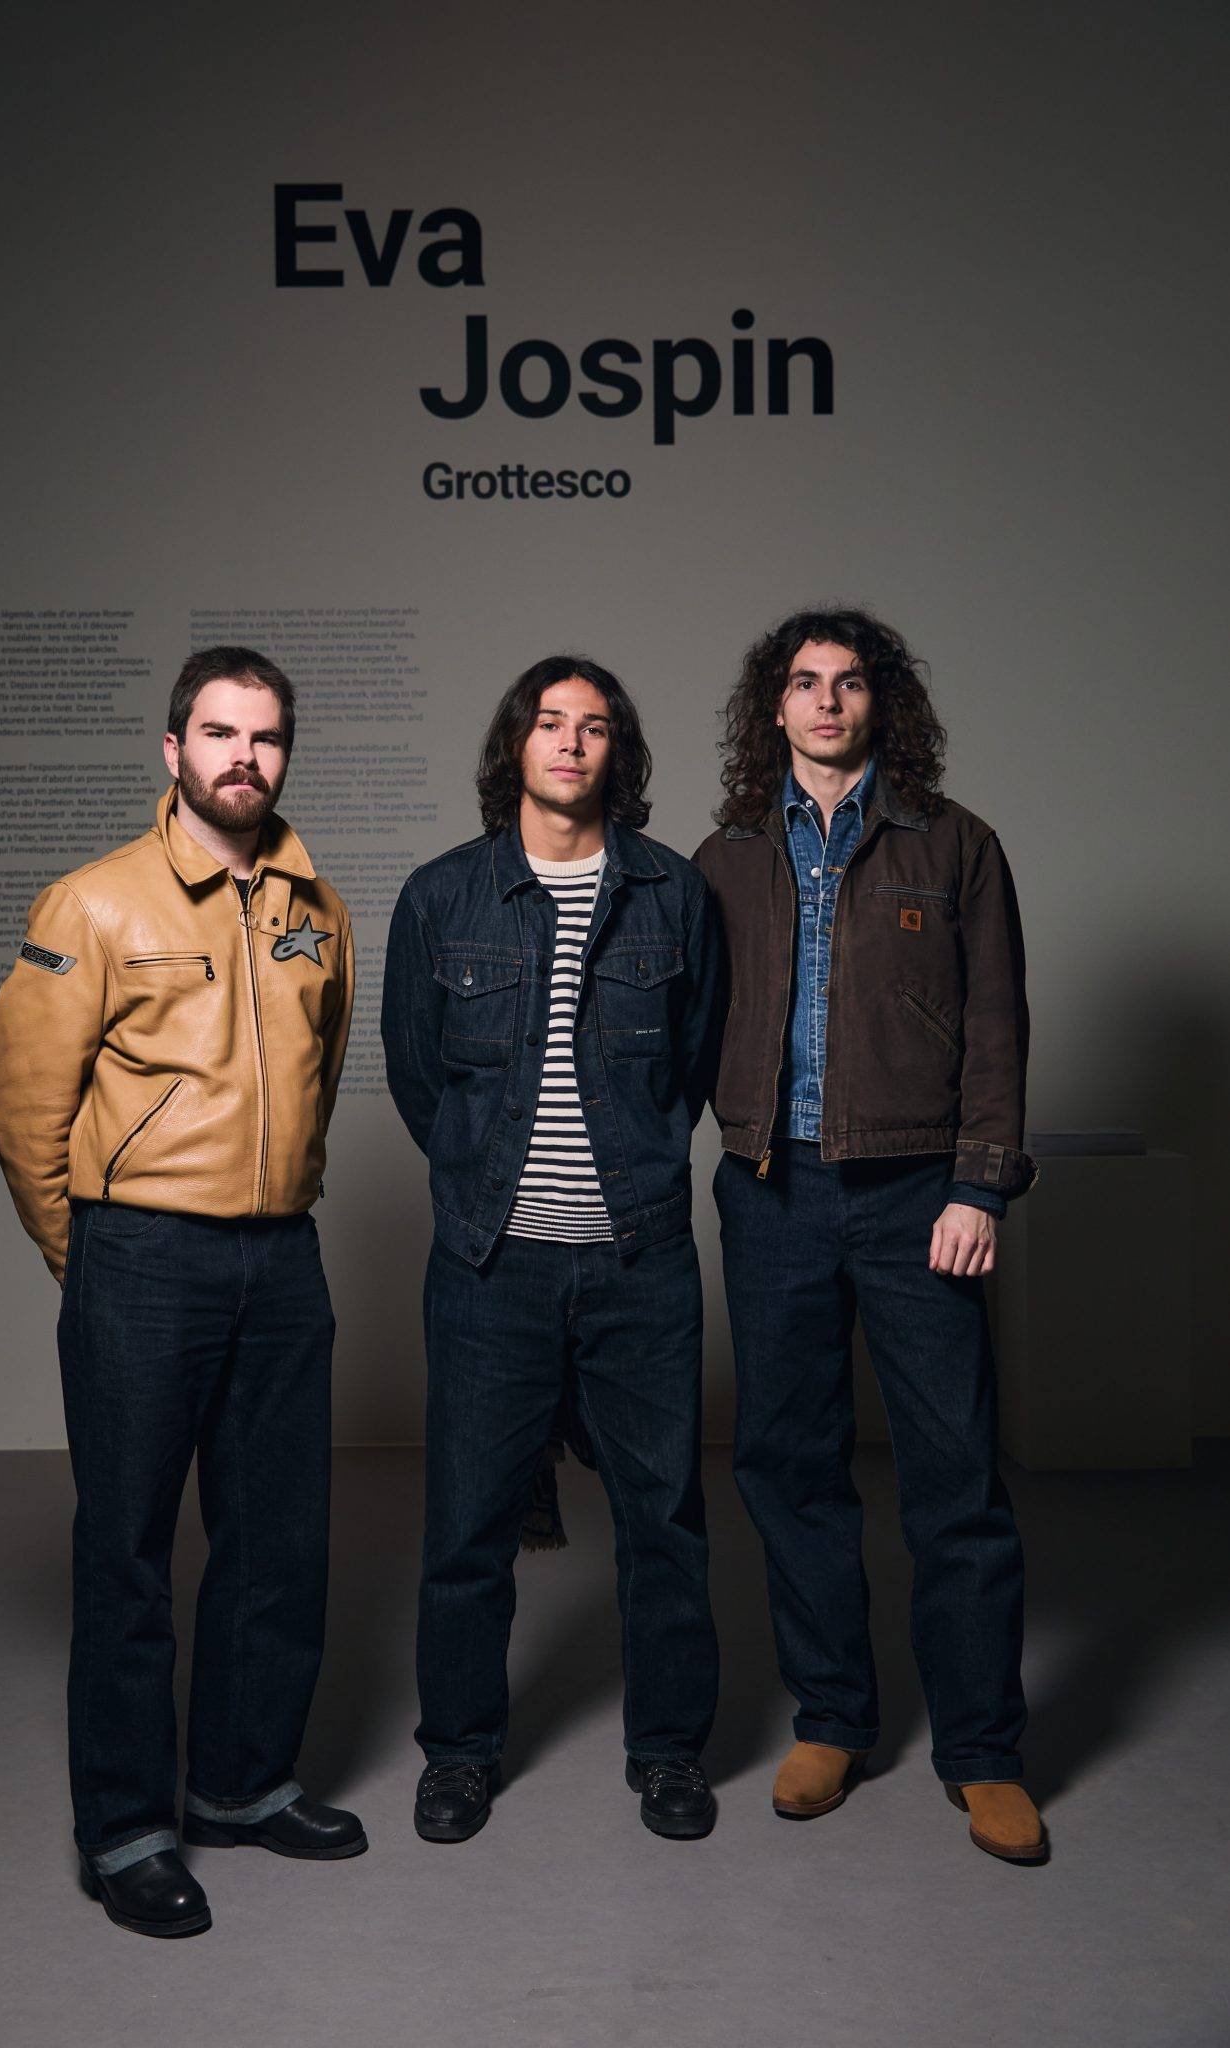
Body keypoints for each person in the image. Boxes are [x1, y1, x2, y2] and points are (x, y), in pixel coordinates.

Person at [0, 646, 366, 1938]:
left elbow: (323, 1062)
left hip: (283, 1257)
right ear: (173, 751)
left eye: (263, 737)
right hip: (141, 1257)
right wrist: (86, 1253)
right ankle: (129, 1828)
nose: (241, 757)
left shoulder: (317, 900)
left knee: (276, 1542)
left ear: (283, 755)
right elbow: (21, 1100)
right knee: (129, 1553)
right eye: (217, 733)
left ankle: (246, 1786)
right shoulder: (94, 902)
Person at [694, 607, 1047, 1864]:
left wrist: (979, 1186)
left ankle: (984, 1750)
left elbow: (998, 1031)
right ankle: (834, 1716)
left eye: (848, 683)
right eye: (804, 682)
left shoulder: (957, 846)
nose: (827, 701)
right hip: (772, 1192)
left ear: (879, 703)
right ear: (774, 707)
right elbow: (687, 1027)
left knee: (954, 1481)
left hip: (917, 1202)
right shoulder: (726, 853)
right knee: (789, 1472)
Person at [382, 655, 723, 1843]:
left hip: (641, 1263)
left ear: (617, 753)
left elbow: (692, 1066)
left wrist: (621, 1181)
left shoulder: (674, 895)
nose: (570, 742)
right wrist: (497, 1193)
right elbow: (420, 1081)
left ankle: (671, 1750)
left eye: (593, 727)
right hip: (491, 1268)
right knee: (468, 1527)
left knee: (664, 1518)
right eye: (549, 722)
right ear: (513, 746)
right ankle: (460, 1753)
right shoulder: (441, 897)